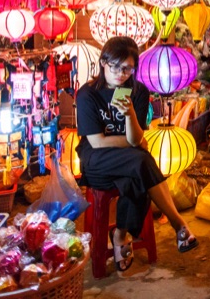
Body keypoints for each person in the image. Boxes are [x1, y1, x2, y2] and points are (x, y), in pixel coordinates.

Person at [75, 37, 197, 273]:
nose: (122, 74)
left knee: (138, 177)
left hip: (130, 160)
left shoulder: (137, 91)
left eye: (128, 68)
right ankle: (178, 224)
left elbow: (134, 138)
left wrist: (130, 113)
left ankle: (120, 234)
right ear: (103, 63)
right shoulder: (88, 94)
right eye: (116, 67)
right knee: (141, 161)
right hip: (96, 160)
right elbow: (98, 142)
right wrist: (135, 144)